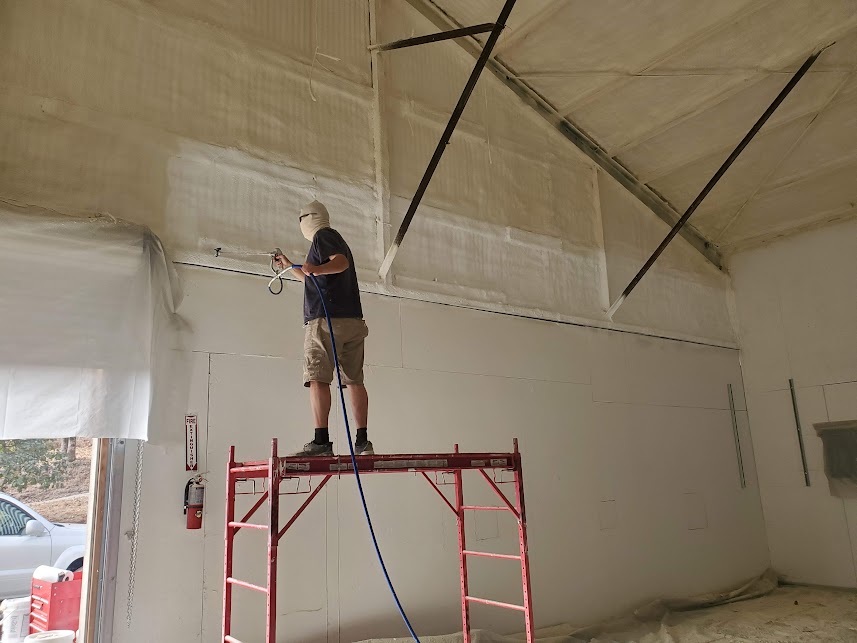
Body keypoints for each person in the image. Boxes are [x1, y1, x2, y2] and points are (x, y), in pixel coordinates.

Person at [274, 200, 372, 457]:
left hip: (327, 322)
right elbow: (313, 278)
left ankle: (321, 442)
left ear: (309, 219)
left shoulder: (323, 237)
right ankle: (362, 442)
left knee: (317, 376)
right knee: (354, 379)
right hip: (351, 322)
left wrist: (316, 267)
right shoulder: (335, 240)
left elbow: (339, 263)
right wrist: (290, 266)